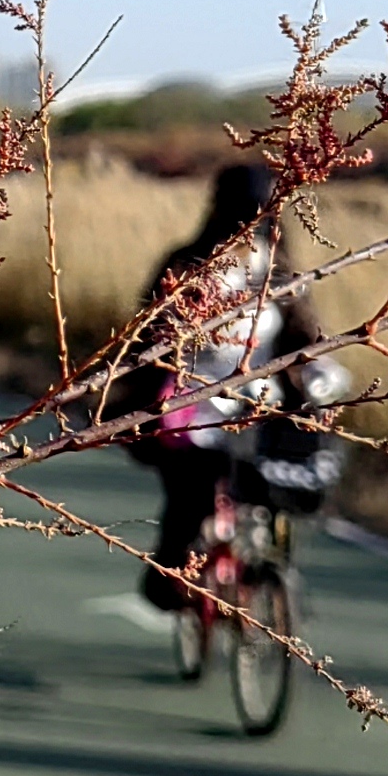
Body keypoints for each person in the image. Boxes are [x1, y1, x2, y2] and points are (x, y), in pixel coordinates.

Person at [114, 163, 345, 612]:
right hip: (193, 406)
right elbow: (148, 338)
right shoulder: (187, 265)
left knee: (283, 481)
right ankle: (174, 573)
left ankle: (275, 579)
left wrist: (317, 379)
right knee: (194, 495)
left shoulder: (278, 271)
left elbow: (304, 334)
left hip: (261, 403)